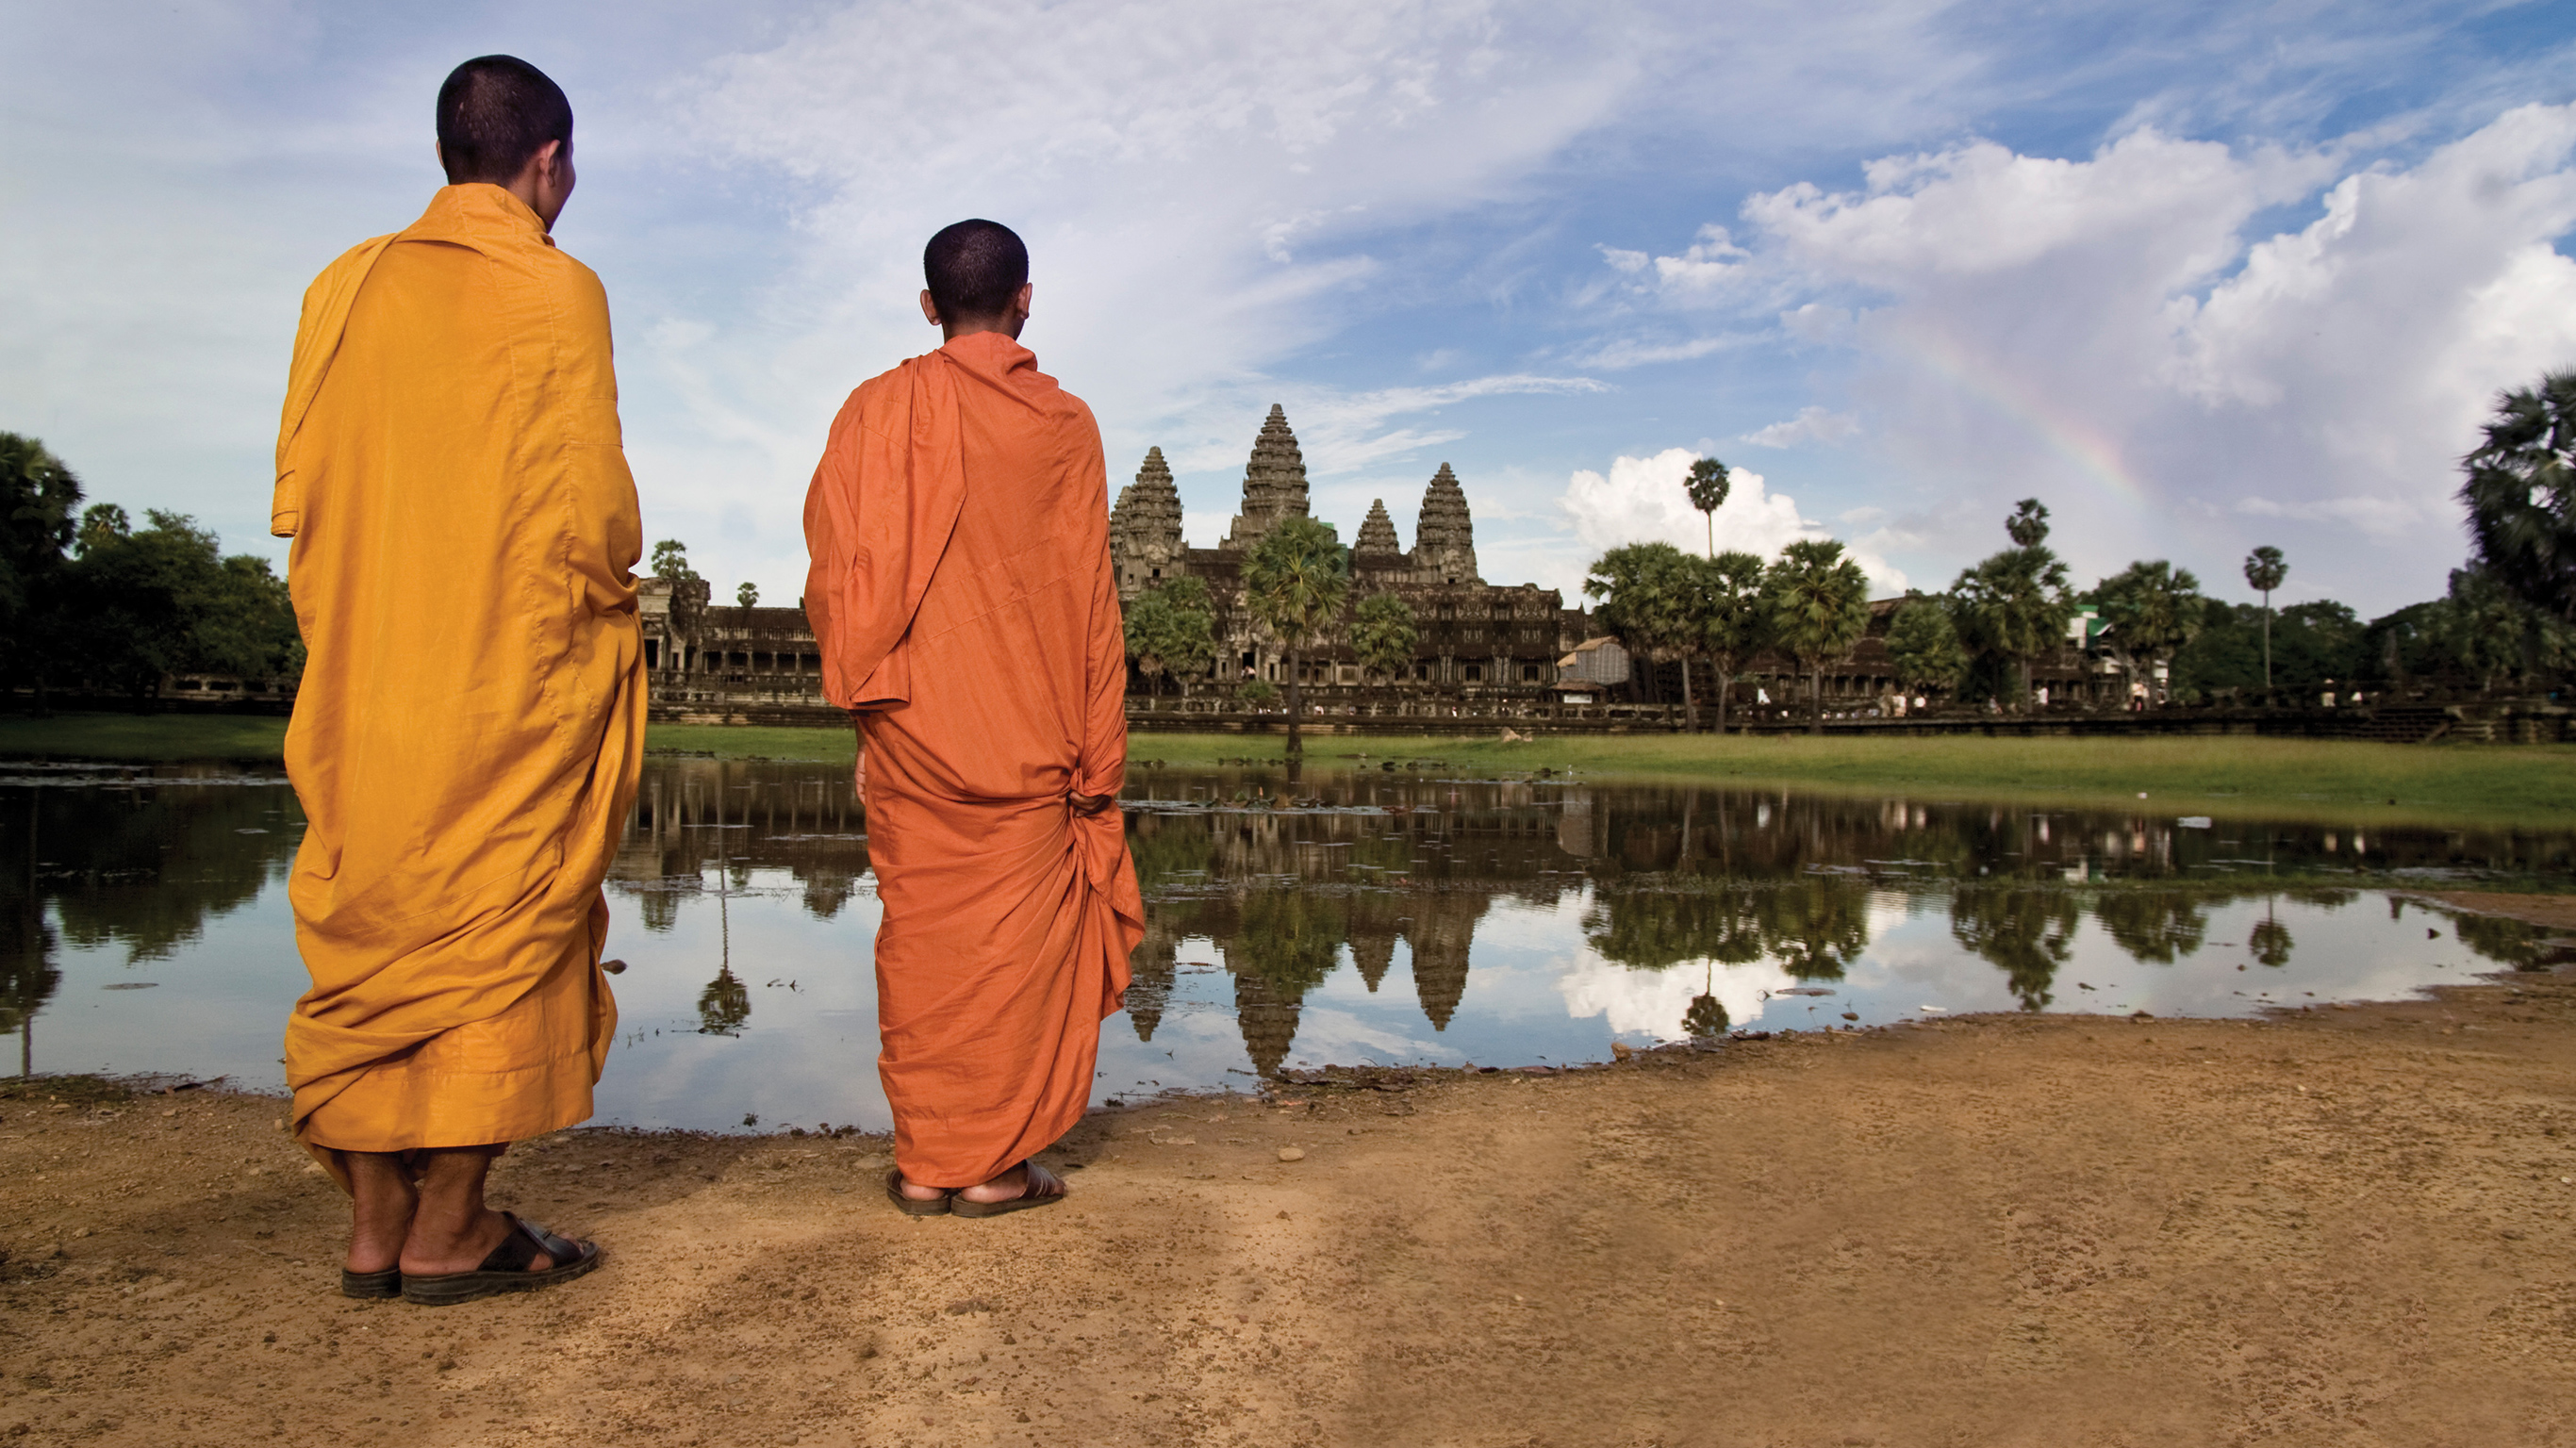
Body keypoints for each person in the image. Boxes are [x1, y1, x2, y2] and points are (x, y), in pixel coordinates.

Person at [274, 55, 642, 1305]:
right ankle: (451, 1222)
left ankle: (375, 1225)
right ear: (549, 163)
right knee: (502, 927)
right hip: (504, 690)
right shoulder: (554, 288)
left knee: (380, 929)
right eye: (572, 165)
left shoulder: (344, 287)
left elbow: (304, 499)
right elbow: (591, 520)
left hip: (372, 683)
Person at [802, 220, 1144, 1216]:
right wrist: (1097, 753)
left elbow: (840, 582)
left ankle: (928, 1159)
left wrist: (868, 718)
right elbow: (1086, 597)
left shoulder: (875, 411)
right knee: (1005, 952)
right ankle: (991, 1165)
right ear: (1025, 298)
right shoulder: (1060, 424)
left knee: (926, 944)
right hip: (1030, 735)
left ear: (926, 306)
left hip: (913, 728)